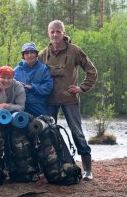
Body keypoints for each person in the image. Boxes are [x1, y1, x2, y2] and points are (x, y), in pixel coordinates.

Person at [38, 20, 98, 180]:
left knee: (77, 132)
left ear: (63, 33)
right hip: (49, 101)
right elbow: (32, 72)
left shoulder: (74, 51)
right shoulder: (44, 53)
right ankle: (52, 167)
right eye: (52, 31)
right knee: (46, 133)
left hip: (69, 100)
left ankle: (87, 170)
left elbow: (92, 71)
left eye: (58, 31)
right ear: (48, 33)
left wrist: (82, 88)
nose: (55, 34)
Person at [14, 42, 53, 116]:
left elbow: (48, 87)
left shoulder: (44, 69)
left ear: (36, 54)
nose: (30, 55)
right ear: (23, 56)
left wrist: (32, 87)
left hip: (39, 107)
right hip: (20, 107)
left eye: (32, 52)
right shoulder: (16, 71)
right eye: (27, 53)